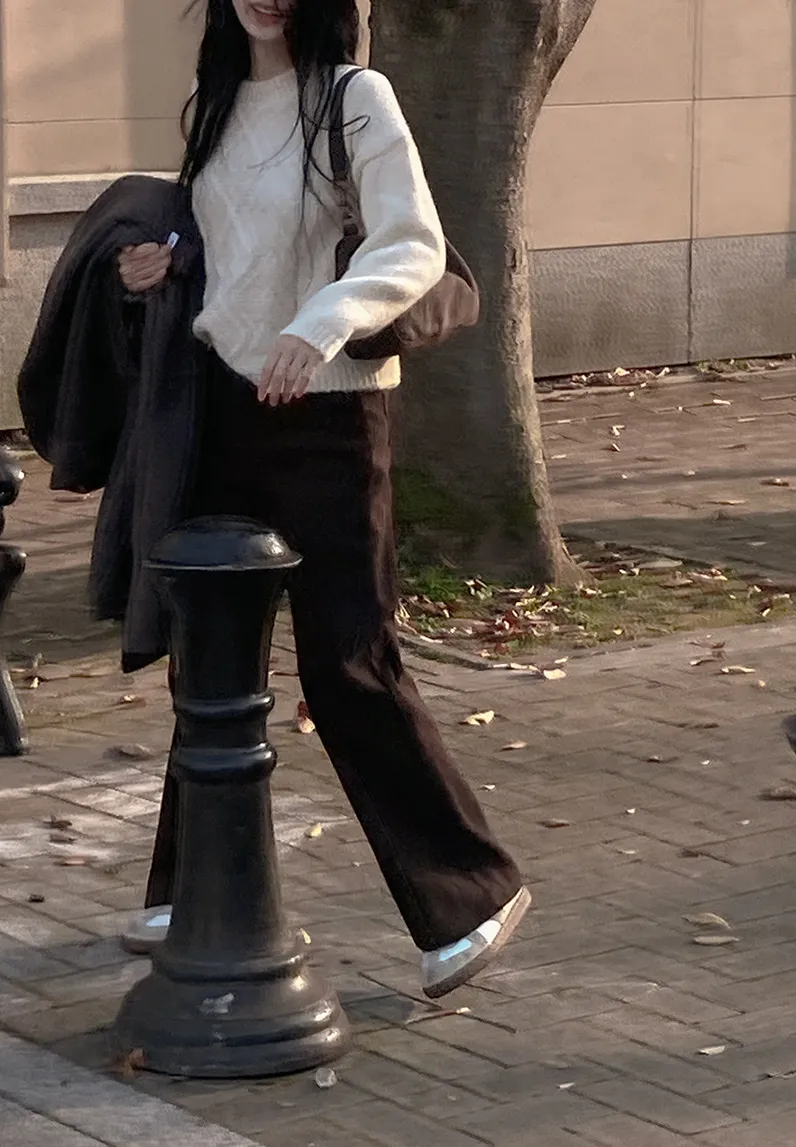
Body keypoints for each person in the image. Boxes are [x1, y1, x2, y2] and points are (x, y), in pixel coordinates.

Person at [117, 0, 529, 999]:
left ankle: (470, 894)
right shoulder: (211, 104)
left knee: (346, 659)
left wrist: (322, 323)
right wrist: (161, 267)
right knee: (209, 654)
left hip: (331, 414)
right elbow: (231, 247)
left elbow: (412, 244)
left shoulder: (355, 98)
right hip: (220, 406)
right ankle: (187, 887)